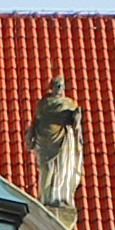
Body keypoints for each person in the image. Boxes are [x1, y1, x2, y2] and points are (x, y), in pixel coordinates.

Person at [25, 76, 84, 210]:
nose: (59, 88)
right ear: (52, 87)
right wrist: (30, 135)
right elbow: (36, 122)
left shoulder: (69, 104)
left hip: (62, 141)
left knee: (62, 168)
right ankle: (46, 197)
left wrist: (77, 120)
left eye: (61, 86)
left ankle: (60, 196)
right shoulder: (42, 105)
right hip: (45, 142)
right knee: (46, 169)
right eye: (57, 85)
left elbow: (75, 123)